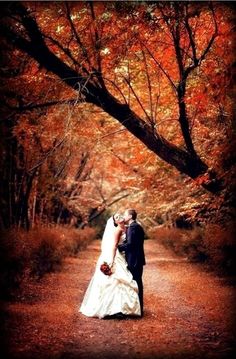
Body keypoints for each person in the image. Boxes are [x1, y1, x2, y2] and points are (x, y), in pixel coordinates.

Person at [79, 213, 141, 319]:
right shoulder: (117, 230)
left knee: (122, 281)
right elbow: (114, 246)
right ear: (115, 222)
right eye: (116, 217)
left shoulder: (127, 227)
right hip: (115, 256)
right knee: (114, 280)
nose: (119, 217)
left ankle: (123, 308)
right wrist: (111, 261)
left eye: (120, 215)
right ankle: (113, 309)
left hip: (122, 256)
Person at [118, 209, 145, 317]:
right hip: (135, 259)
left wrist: (117, 247)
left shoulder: (133, 227)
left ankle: (139, 310)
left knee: (136, 283)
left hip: (135, 260)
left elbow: (130, 245)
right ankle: (137, 308)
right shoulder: (134, 226)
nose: (123, 216)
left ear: (130, 216)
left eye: (125, 214)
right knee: (136, 283)